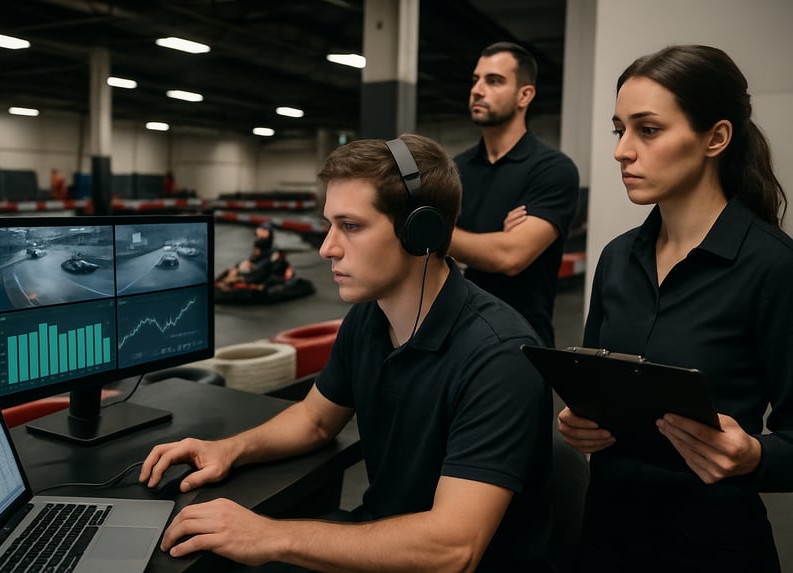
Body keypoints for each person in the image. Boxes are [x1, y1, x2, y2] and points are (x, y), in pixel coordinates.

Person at [140, 134, 556, 572]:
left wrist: (270, 534)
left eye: (351, 226)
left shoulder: (499, 357)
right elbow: (316, 420)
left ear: (421, 233)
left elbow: (453, 549)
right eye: (329, 225)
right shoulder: (369, 317)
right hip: (382, 542)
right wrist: (230, 449)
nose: (327, 248)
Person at [556, 45, 792, 572]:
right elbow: (595, 386)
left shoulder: (772, 267)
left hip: (713, 549)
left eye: (648, 129)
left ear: (716, 138)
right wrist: (581, 421)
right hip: (606, 540)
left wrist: (755, 454)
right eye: (620, 130)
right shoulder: (617, 258)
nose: (622, 151)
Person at [450, 41, 580, 347]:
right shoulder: (456, 169)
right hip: (456, 336)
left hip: (520, 342)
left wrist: (441, 236)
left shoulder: (553, 169)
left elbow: (511, 256)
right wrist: (490, 242)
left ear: (525, 95)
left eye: (493, 81)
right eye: (475, 80)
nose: (478, 90)